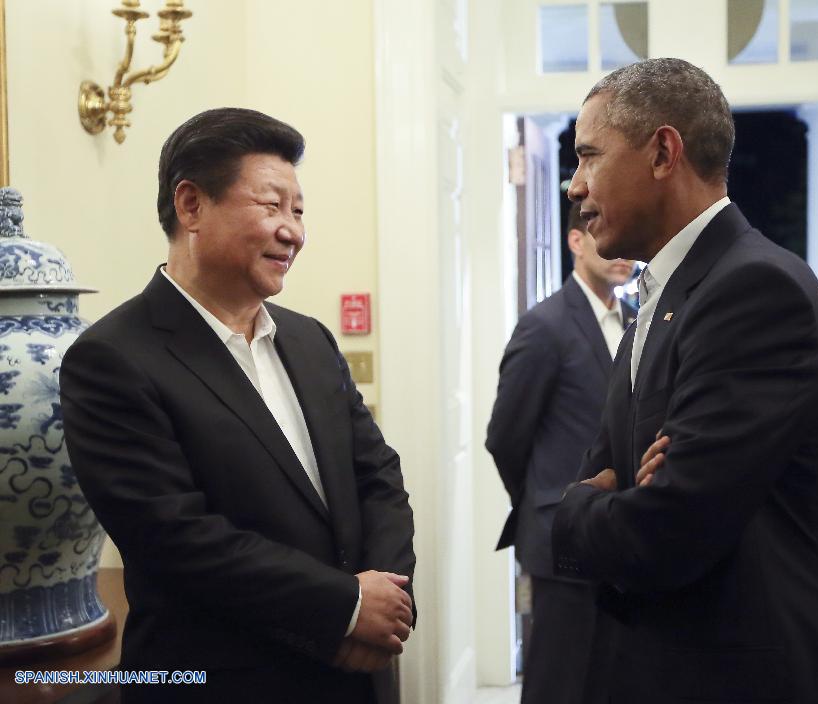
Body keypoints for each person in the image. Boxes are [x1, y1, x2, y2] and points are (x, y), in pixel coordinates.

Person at [59, 108, 415, 703]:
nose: (294, 231)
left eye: (299, 211)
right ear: (191, 205)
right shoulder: (112, 358)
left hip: (359, 673)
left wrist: (387, 603)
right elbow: (176, 538)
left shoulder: (309, 339)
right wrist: (345, 606)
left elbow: (377, 475)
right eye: (272, 206)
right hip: (223, 680)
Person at [552, 58, 818, 704]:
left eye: (588, 157)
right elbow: (607, 474)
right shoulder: (663, 292)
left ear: (663, 152)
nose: (574, 186)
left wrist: (577, 510)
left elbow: (663, 533)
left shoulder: (754, 290)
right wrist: (610, 494)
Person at [486, 201, 636, 704]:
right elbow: (505, 435)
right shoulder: (544, 325)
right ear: (575, 241)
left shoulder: (638, 320)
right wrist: (542, 499)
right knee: (558, 681)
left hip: (624, 532)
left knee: (614, 679)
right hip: (560, 537)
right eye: (599, 231)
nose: (620, 252)